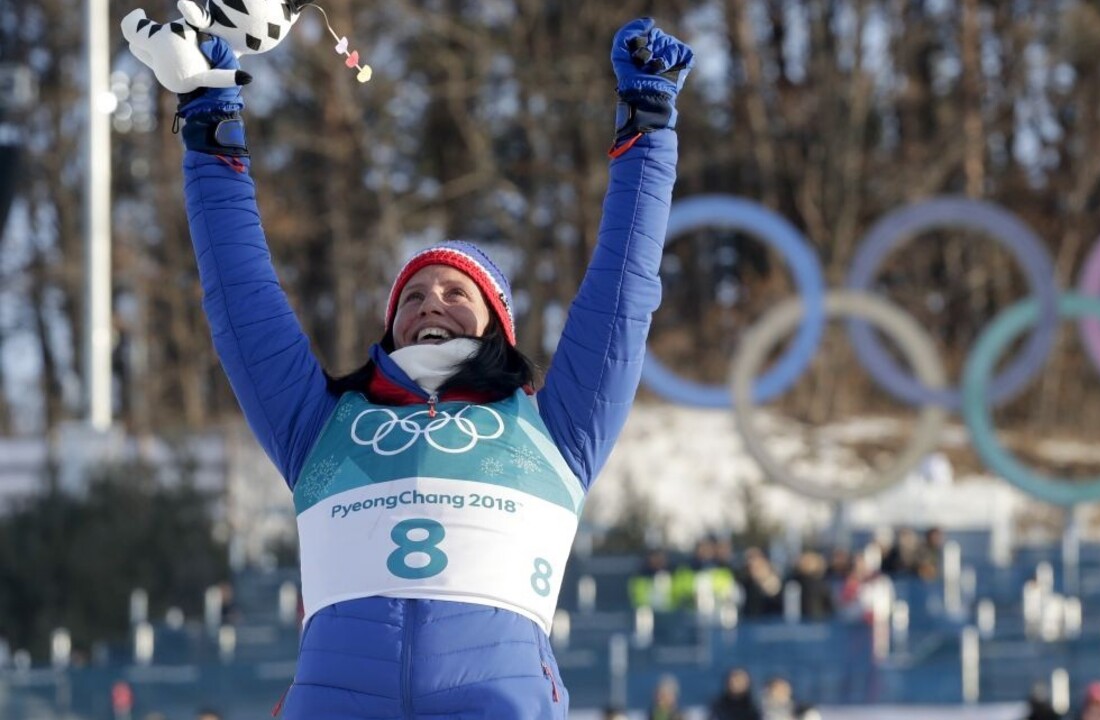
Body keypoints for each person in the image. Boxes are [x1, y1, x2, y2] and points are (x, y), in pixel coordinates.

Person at [126, 15, 694, 720]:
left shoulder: (557, 428)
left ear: (497, 327)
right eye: (414, 294)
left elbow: (623, 293)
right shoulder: (319, 424)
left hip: (497, 699)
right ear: (388, 325)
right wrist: (210, 122)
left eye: (459, 293)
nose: (432, 302)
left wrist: (649, 126)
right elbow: (240, 298)